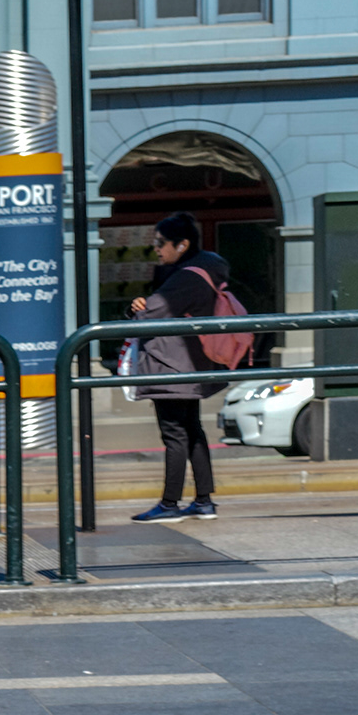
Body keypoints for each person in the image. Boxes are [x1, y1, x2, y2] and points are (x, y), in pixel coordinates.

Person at [129, 212, 226, 523]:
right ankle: (203, 501)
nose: (156, 249)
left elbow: (150, 314)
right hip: (191, 363)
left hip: (171, 364)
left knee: (174, 434)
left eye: (161, 243)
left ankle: (170, 504)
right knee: (192, 431)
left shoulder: (186, 277)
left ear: (182, 245)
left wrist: (137, 306)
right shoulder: (206, 268)